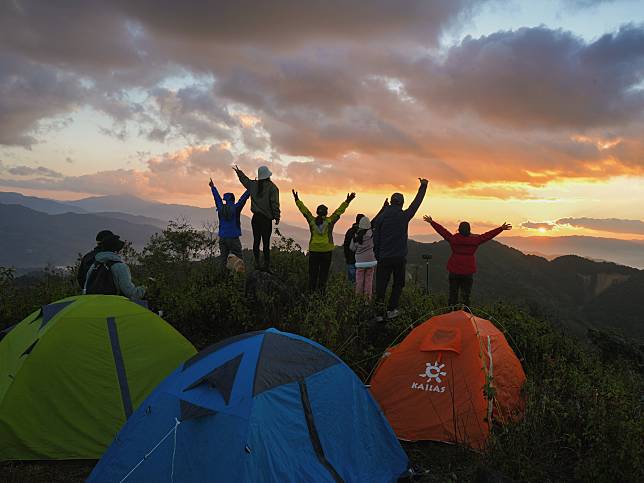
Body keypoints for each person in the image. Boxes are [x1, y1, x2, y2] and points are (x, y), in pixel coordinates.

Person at [424, 216, 512, 307]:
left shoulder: (453, 239)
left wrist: (432, 222)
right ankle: (466, 315)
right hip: (468, 272)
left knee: (453, 295)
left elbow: (443, 231)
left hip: (454, 270)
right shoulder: (475, 240)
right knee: (466, 296)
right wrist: (501, 228)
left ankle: (451, 313)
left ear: (458, 229)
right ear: (469, 230)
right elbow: (487, 236)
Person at [373, 178, 429, 321]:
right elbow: (416, 203)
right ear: (402, 203)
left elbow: (375, 235)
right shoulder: (404, 216)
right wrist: (423, 186)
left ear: (391, 202)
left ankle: (379, 313)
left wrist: (377, 254)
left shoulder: (382, 217)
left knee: (381, 285)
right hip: (398, 258)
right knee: (398, 283)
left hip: (383, 257)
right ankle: (392, 309)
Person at [293, 189, 356, 292]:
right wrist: (348, 201)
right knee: (323, 276)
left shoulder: (312, 221)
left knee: (313, 275)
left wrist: (297, 200)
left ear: (317, 212)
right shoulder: (330, 222)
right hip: (326, 252)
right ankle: (321, 296)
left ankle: (311, 294)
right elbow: (338, 211)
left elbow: (305, 211)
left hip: (313, 251)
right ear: (326, 213)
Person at [233, 165, 280, 271]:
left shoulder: (253, 185)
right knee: (266, 243)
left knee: (256, 242)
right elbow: (274, 203)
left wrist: (239, 172)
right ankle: (266, 265)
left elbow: (245, 180)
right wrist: (277, 216)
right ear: (268, 175)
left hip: (255, 219)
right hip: (266, 220)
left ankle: (257, 264)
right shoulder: (273, 188)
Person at [84, 234, 145, 299]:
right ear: (116, 251)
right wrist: (144, 288)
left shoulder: (95, 264)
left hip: (94, 304)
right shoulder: (120, 267)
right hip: (112, 305)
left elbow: (85, 288)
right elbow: (131, 293)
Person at [209, 177, 250, 264]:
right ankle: (239, 276)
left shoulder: (220, 207)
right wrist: (250, 189)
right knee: (239, 259)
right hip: (233, 237)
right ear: (233, 199)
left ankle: (223, 276)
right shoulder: (236, 208)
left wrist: (213, 187)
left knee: (223, 260)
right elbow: (243, 199)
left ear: (225, 200)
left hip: (223, 237)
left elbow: (217, 198)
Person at [350, 215, 377, 299]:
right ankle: (367, 300)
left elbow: (352, 248)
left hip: (360, 263)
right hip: (371, 261)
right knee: (369, 282)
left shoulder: (356, 235)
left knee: (359, 282)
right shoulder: (372, 234)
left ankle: (358, 300)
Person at [343, 214, 365, 284]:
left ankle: (350, 294)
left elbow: (346, 246)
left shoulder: (350, 231)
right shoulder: (365, 232)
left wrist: (347, 258)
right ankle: (360, 294)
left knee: (352, 282)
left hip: (351, 259)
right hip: (361, 260)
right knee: (361, 282)